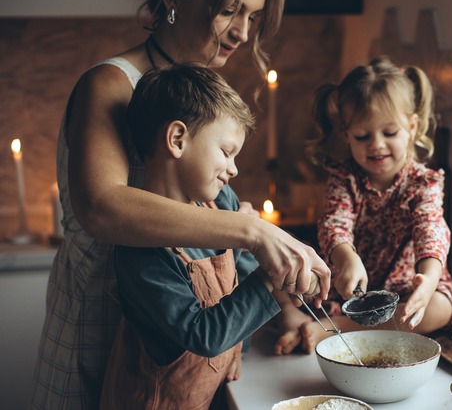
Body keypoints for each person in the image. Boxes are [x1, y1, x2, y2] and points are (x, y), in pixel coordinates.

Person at [31, 0, 329, 408]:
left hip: (182, 357)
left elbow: (213, 239)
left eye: (253, 17)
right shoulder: (111, 85)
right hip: (97, 331)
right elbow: (102, 207)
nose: (243, 32)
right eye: (230, 10)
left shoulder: (198, 97)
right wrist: (254, 231)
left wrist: (281, 312)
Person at [100, 64, 315, 409]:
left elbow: (241, 267)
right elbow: (202, 334)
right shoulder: (141, 250)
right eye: (226, 152)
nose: (234, 168)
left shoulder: (219, 203)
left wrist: (239, 345)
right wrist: (272, 278)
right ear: (177, 139)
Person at [273, 57, 452, 355]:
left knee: (438, 308)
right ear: (347, 136)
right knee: (284, 272)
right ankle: (293, 316)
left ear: (412, 127)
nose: (376, 145)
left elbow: (431, 230)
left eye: (389, 133)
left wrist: (428, 281)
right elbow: (334, 224)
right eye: (363, 136)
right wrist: (346, 259)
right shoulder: (344, 178)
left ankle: (329, 329)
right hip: (348, 285)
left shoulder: (423, 182)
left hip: (400, 288)